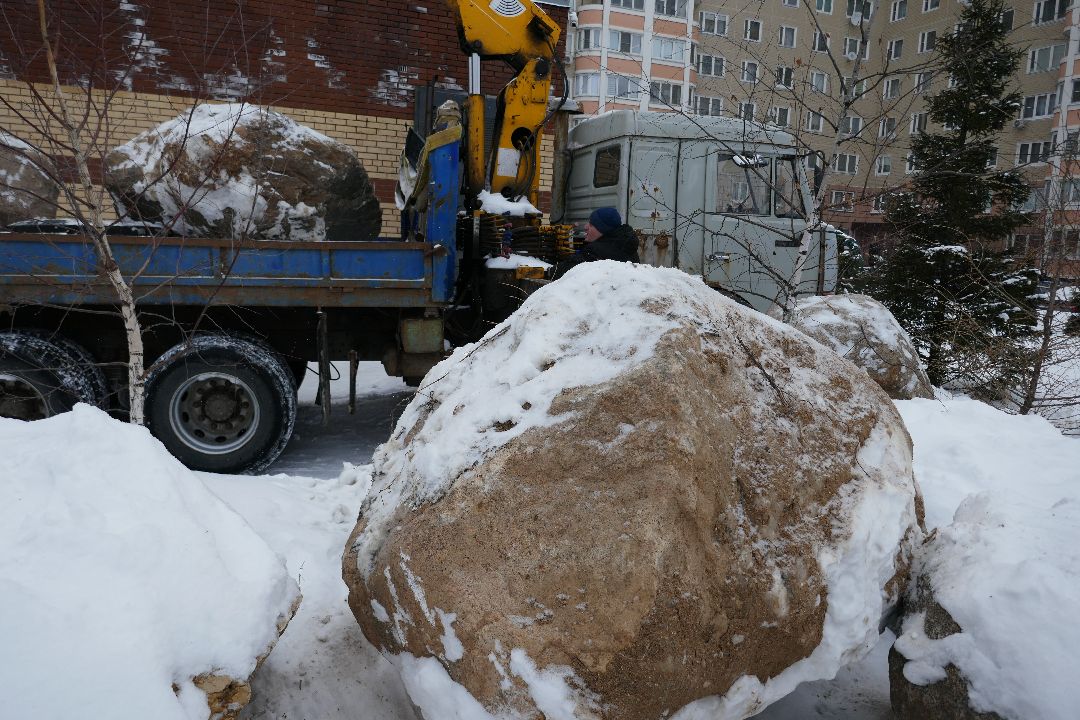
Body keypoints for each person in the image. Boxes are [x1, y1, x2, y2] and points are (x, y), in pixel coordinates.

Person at [551, 207, 640, 279]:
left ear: (603, 229)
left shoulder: (595, 252)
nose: (586, 227)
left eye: (591, 225)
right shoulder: (629, 250)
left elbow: (562, 272)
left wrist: (549, 271)